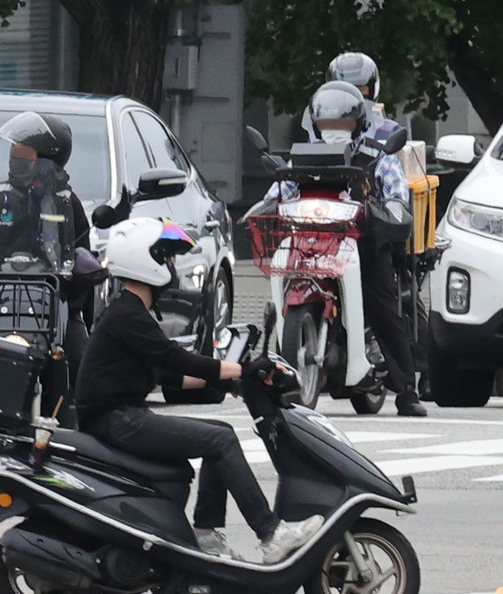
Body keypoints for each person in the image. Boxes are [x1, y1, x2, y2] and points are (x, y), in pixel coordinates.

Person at [75, 217, 324, 564]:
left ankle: (206, 533)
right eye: (166, 257)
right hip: (117, 421)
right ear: (145, 261)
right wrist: (242, 368)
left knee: (220, 433)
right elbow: (176, 360)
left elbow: (169, 376)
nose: (172, 266)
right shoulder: (127, 316)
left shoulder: (129, 314)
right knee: (219, 441)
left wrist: (236, 382)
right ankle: (271, 533)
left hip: (122, 416)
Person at [269, 81, 426, 417]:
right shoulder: (302, 156)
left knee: (383, 308)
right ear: (315, 124)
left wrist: (388, 211)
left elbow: (398, 196)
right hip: (312, 244)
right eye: (327, 124)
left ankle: (407, 390)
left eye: (343, 124)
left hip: (364, 247)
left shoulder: (377, 157)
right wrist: (267, 205)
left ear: (358, 123)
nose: (334, 131)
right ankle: (279, 368)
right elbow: (277, 191)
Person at [0, 111, 93, 374]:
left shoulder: (67, 202)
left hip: (52, 301)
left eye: (23, 155)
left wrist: (79, 271)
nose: (15, 160)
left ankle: (76, 409)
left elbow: (81, 250)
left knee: (83, 357)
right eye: (14, 153)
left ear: (48, 160)